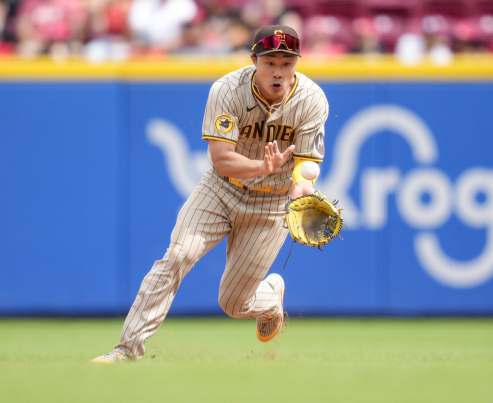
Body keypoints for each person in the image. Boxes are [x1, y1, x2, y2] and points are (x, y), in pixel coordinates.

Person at [92, 24, 329, 363]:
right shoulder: (228, 89)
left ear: (296, 64)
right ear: (254, 60)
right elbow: (221, 161)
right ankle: (127, 350)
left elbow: (304, 168)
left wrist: (299, 192)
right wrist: (261, 167)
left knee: (234, 304)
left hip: (272, 202)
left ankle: (271, 296)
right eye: (270, 62)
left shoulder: (311, 99)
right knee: (178, 255)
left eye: (287, 63)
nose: (279, 72)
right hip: (221, 190)